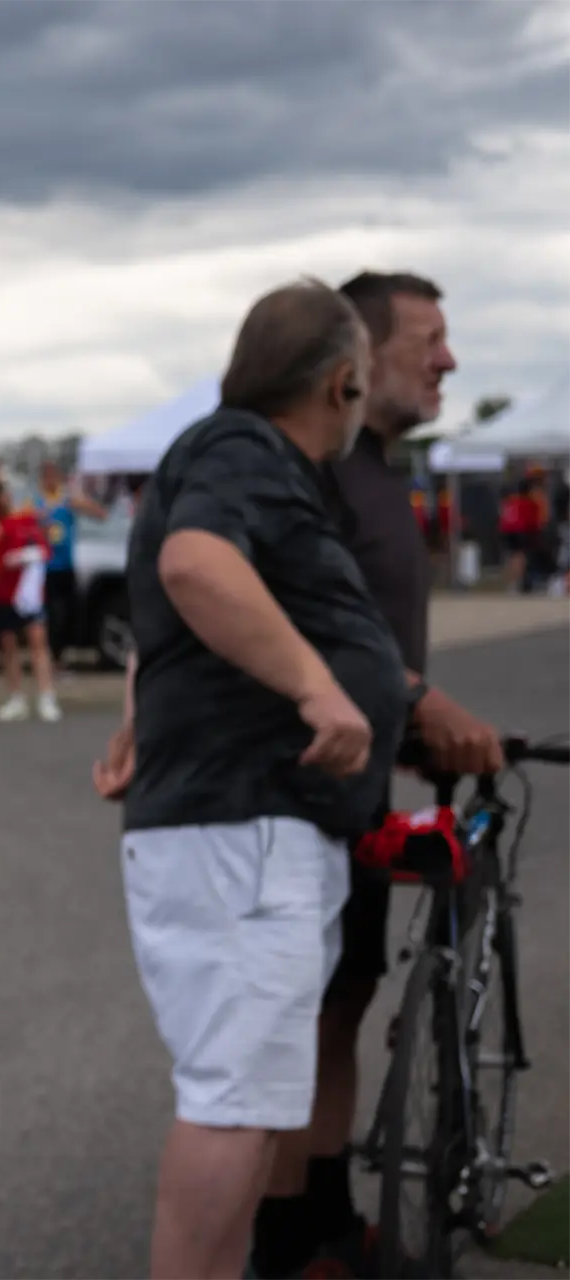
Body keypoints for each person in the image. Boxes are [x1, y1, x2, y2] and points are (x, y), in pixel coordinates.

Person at [106, 280, 413, 1280]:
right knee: (234, 1102)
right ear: (342, 382)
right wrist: (325, 690)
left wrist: (139, 715)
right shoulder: (246, 449)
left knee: (247, 1097)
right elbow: (195, 565)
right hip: (244, 827)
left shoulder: (228, 453)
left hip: (248, 824)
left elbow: (168, 599)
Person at [239, 271, 506, 1280]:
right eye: (427, 340)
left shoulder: (380, 471)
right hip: (283, 805)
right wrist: (421, 700)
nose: (448, 359)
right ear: (355, 356)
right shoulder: (315, 471)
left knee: (343, 1003)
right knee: (292, 1025)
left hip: (350, 798)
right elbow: (293, 621)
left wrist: (415, 723)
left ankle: (319, 1219)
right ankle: (281, 1241)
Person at [0, 480, 59, 722]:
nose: (6, 499)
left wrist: (31, 554)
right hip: (2, 594)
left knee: (38, 643)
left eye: (7, 494)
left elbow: (45, 549)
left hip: (29, 596)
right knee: (9, 645)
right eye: (1, 495)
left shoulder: (25, 520)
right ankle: (16, 697)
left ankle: (47, 696)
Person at [35, 458, 106, 659]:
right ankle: (50, 657)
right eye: (46, 476)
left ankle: (60, 655)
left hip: (66, 565)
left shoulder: (67, 499)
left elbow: (101, 515)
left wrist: (79, 497)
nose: (50, 480)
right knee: (50, 614)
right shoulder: (35, 502)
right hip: (44, 567)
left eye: (53, 476)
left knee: (68, 612)